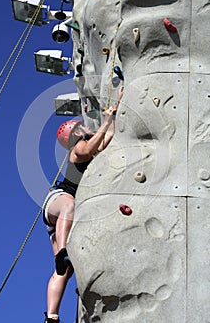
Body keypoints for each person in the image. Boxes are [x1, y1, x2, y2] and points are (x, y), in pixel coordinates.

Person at [43, 88, 123, 323]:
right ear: (76, 133)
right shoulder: (77, 149)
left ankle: (52, 316)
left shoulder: (89, 148)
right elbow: (90, 147)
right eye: (81, 127)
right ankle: (63, 253)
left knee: (64, 272)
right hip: (59, 201)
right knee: (70, 206)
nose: (86, 127)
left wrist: (114, 114)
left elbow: (106, 139)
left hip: (61, 221)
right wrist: (107, 119)